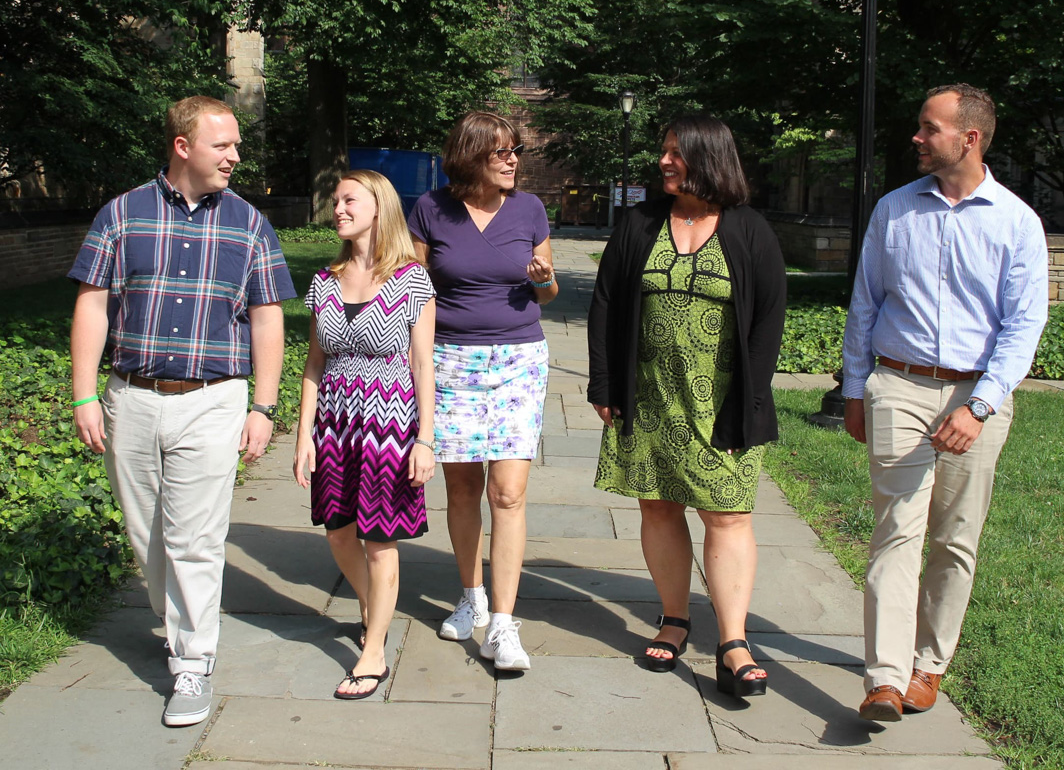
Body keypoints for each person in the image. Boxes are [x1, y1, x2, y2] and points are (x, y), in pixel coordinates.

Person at [69, 96, 295, 727]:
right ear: (182, 146)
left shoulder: (248, 223)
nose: (236, 156)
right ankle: (176, 626)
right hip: (131, 397)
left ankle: (192, 661)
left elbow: (267, 315)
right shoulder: (122, 214)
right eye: (223, 145)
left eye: (237, 145)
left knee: (194, 538)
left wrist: (265, 405)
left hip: (213, 399)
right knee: (147, 536)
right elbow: (93, 304)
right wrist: (85, 392)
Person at [843, 84, 1049, 723]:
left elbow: (1023, 326)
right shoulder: (895, 211)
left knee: (954, 539)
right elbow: (866, 302)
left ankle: (928, 667)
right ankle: (885, 676)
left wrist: (980, 405)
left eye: (929, 128)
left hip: (975, 392)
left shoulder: (1016, 221)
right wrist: (855, 388)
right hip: (898, 385)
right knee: (896, 532)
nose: (917, 137)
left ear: (970, 138)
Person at [588, 114, 786, 698]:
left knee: (727, 514)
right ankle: (675, 618)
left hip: (722, 404)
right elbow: (605, 303)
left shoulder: (749, 230)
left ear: (710, 158)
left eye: (677, 153)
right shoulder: (640, 223)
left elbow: (768, 324)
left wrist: (744, 408)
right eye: (664, 152)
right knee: (658, 509)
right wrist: (605, 384)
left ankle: (733, 641)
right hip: (648, 396)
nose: (665, 162)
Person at [408, 110, 557, 671]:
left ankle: (502, 623)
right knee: (464, 487)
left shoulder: (530, 208)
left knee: (509, 493)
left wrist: (542, 278)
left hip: (519, 358)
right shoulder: (431, 209)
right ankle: (470, 598)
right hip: (450, 360)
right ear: (470, 156)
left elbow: (548, 294)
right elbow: (416, 291)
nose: (513, 159)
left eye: (514, 149)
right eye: (500, 151)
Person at [294, 170, 436, 700]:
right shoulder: (324, 280)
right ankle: (374, 607)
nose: (338, 209)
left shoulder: (412, 279)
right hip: (333, 423)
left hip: (388, 427)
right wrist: (303, 434)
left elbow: (423, 365)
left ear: (379, 206)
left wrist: (425, 438)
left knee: (379, 538)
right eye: (335, 201)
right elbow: (313, 364)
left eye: (349, 199)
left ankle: (372, 650)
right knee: (337, 531)